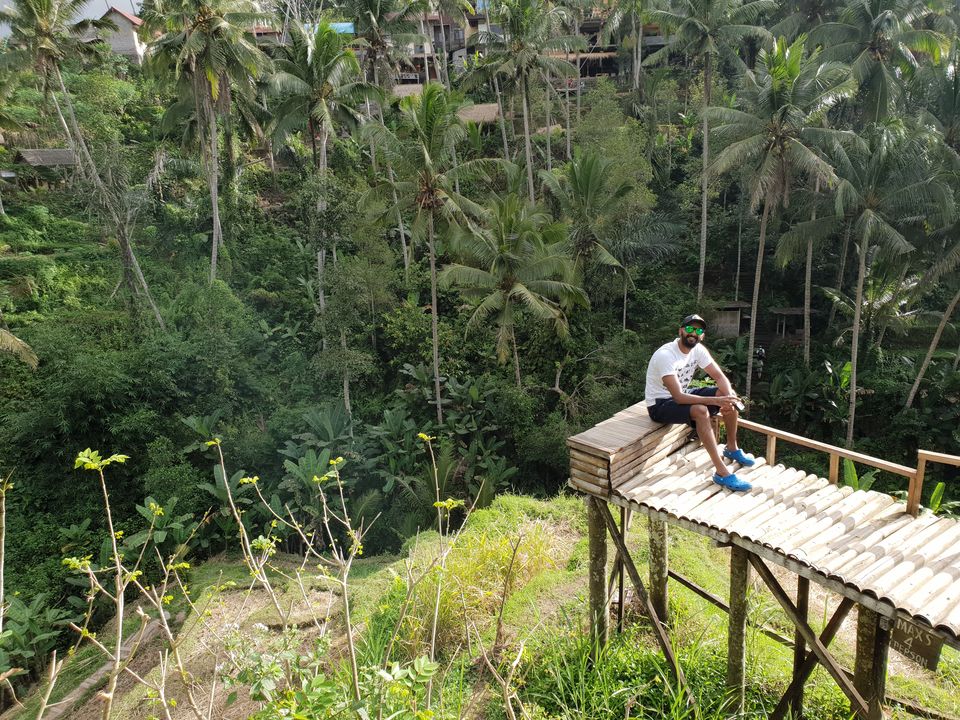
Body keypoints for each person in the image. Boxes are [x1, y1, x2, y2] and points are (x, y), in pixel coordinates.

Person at [644, 314, 755, 491]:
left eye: (698, 330)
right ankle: (722, 473)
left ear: (702, 335)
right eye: (689, 329)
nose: (693, 333)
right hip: (659, 404)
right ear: (681, 331)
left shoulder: (698, 350)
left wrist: (728, 396)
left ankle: (732, 448)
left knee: (728, 395)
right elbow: (679, 397)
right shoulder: (666, 355)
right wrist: (717, 400)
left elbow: (719, 376)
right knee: (701, 411)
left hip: (682, 395)